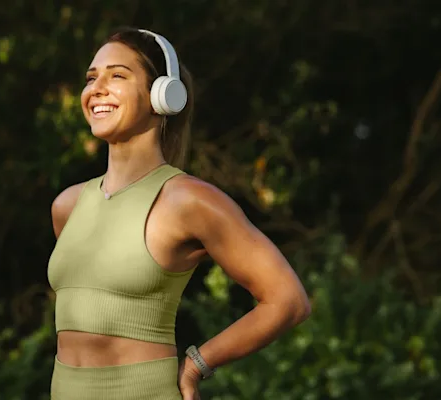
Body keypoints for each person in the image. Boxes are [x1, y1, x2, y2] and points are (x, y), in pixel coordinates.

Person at [47, 26, 311, 400]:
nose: (97, 89)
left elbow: (288, 301)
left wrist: (198, 364)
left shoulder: (188, 201)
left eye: (117, 75)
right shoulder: (67, 206)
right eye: (92, 79)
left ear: (162, 95)